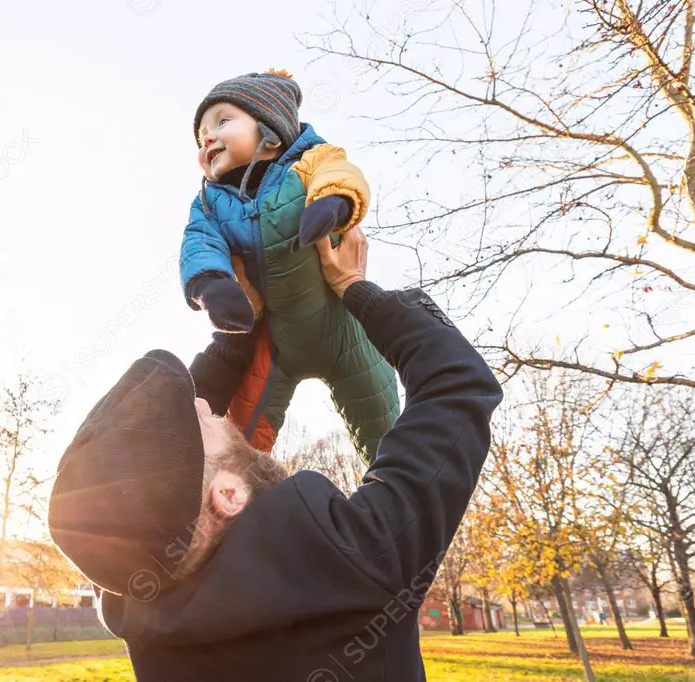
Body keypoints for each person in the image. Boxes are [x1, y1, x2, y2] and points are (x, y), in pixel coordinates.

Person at [48, 227, 504, 680]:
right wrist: (357, 289)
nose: (210, 405)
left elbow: (167, 479)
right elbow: (458, 385)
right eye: (204, 420)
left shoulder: (145, 614)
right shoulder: (359, 558)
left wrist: (237, 335)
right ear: (228, 496)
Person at [180, 68, 401, 460]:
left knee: (384, 431)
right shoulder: (211, 203)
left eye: (223, 122)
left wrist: (333, 203)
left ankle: (403, 498)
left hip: (343, 326)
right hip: (273, 342)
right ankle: (230, 505)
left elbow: (339, 174)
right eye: (201, 137)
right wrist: (210, 284)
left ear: (272, 132)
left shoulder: (311, 160)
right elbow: (199, 242)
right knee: (236, 448)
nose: (208, 138)